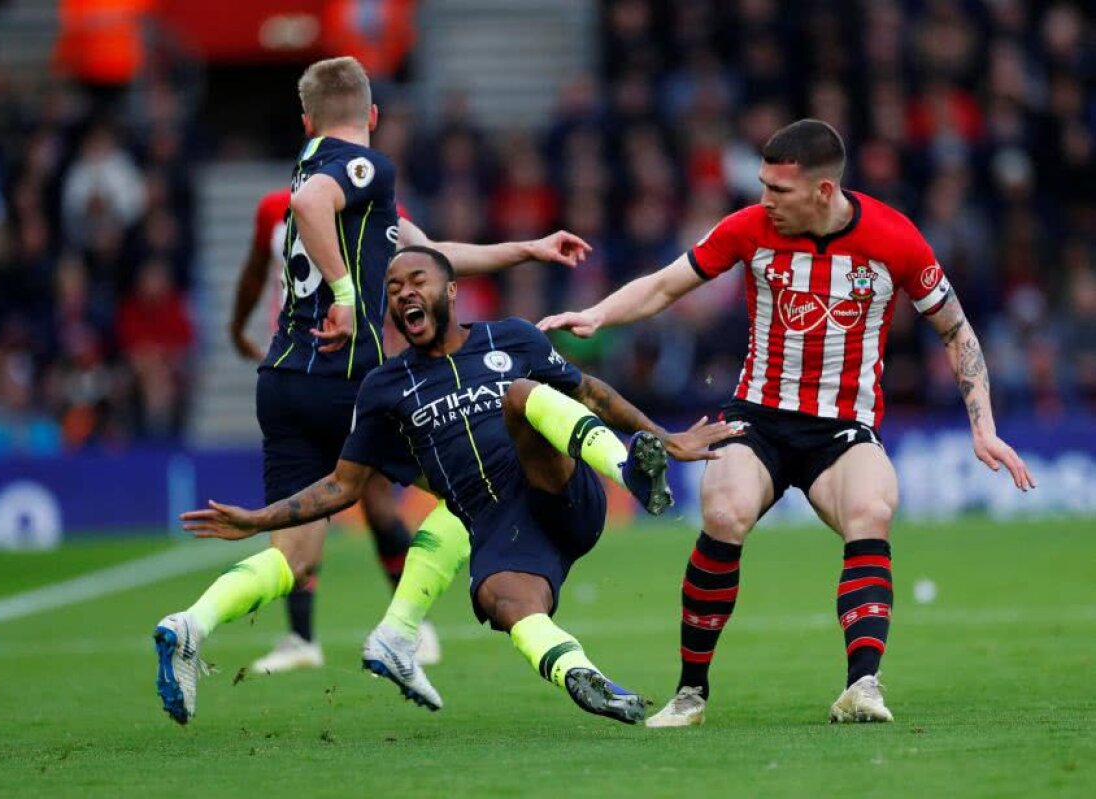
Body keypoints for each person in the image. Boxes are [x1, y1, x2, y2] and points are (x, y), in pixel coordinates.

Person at [539, 119, 1037, 727]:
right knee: (723, 510)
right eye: (763, 186)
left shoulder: (895, 238)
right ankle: (691, 693)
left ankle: (862, 686)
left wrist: (981, 425)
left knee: (872, 508)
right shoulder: (750, 229)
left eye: (779, 189)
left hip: (842, 429)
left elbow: (956, 329)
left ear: (823, 192)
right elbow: (669, 283)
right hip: (760, 419)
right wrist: (597, 315)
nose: (765, 201)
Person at [153, 56, 589, 723]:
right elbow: (312, 204)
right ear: (373, 117)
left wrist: (527, 248)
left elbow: (432, 253)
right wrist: (349, 295)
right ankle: (399, 630)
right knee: (483, 485)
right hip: (350, 379)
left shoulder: (336, 190)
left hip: (283, 381)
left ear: (306, 120)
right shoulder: (364, 169)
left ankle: (191, 623)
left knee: (293, 556)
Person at [178, 246, 741, 723]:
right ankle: (585, 677)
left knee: (521, 395)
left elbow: (588, 392)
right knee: (504, 602)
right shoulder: (383, 387)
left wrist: (662, 440)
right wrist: (260, 519)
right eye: (393, 287)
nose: (402, 293)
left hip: (558, 489)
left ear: (451, 291)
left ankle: (631, 473)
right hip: (498, 525)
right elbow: (342, 486)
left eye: (417, 281)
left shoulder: (512, 338)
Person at [227, 188, 592, 677]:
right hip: (314, 378)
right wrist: (237, 324)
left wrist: (526, 250)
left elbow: (438, 259)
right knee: (345, 500)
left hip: (363, 376)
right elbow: (256, 272)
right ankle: (314, 634)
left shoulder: (376, 205)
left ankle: (403, 626)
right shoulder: (278, 206)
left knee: (399, 498)